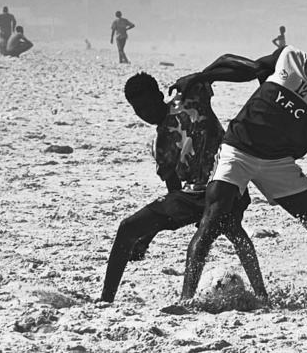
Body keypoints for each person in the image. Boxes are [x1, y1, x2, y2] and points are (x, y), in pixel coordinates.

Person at [169, 31, 307, 308]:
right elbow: (249, 68)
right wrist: (203, 76)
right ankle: (186, 300)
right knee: (211, 220)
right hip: (238, 150)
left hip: (279, 165)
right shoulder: (289, 58)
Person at [100, 72, 267, 303]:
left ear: (160, 96)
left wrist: (199, 76)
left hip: (225, 180)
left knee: (232, 228)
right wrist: (148, 234)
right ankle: (105, 299)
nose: (146, 113)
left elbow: (222, 68)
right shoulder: (160, 146)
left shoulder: (190, 98)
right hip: (193, 194)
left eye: (149, 104)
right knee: (128, 227)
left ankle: (261, 295)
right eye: (139, 110)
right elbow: (174, 196)